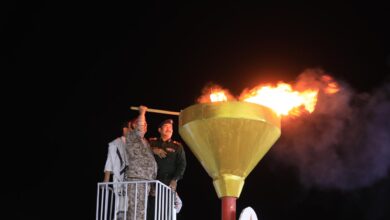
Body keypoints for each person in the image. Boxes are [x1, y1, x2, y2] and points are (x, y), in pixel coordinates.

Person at [147, 118, 187, 219]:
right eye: (166, 126)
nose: (169, 129)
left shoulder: (177, 146)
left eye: (171, 128)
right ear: (159, 130)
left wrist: (175, 180)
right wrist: (153, 150)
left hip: (168, 182)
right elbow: (140, 151)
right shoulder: (151, 142)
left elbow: (182, 165)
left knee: (166, 212)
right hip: (152, 182)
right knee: (152, 211)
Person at [125, 105, 157, 220]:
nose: (145, 126)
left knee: (141, 211)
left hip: (145, 180)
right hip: (136, 179)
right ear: (135, 125)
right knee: (135, 211)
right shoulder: (132, 136)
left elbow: (150, 160)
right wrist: (142, 113)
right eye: (142, 124)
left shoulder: (145, 142)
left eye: (146, 125)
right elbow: (139, 130)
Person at [103, 120, 132, 219]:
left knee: (132, 208)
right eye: (131, 128)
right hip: (120, 180)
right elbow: (109, 163)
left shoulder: (135, 144)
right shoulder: (115, 144)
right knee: (121, 208)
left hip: (133, 180)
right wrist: (106, 181)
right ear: (125, 129)